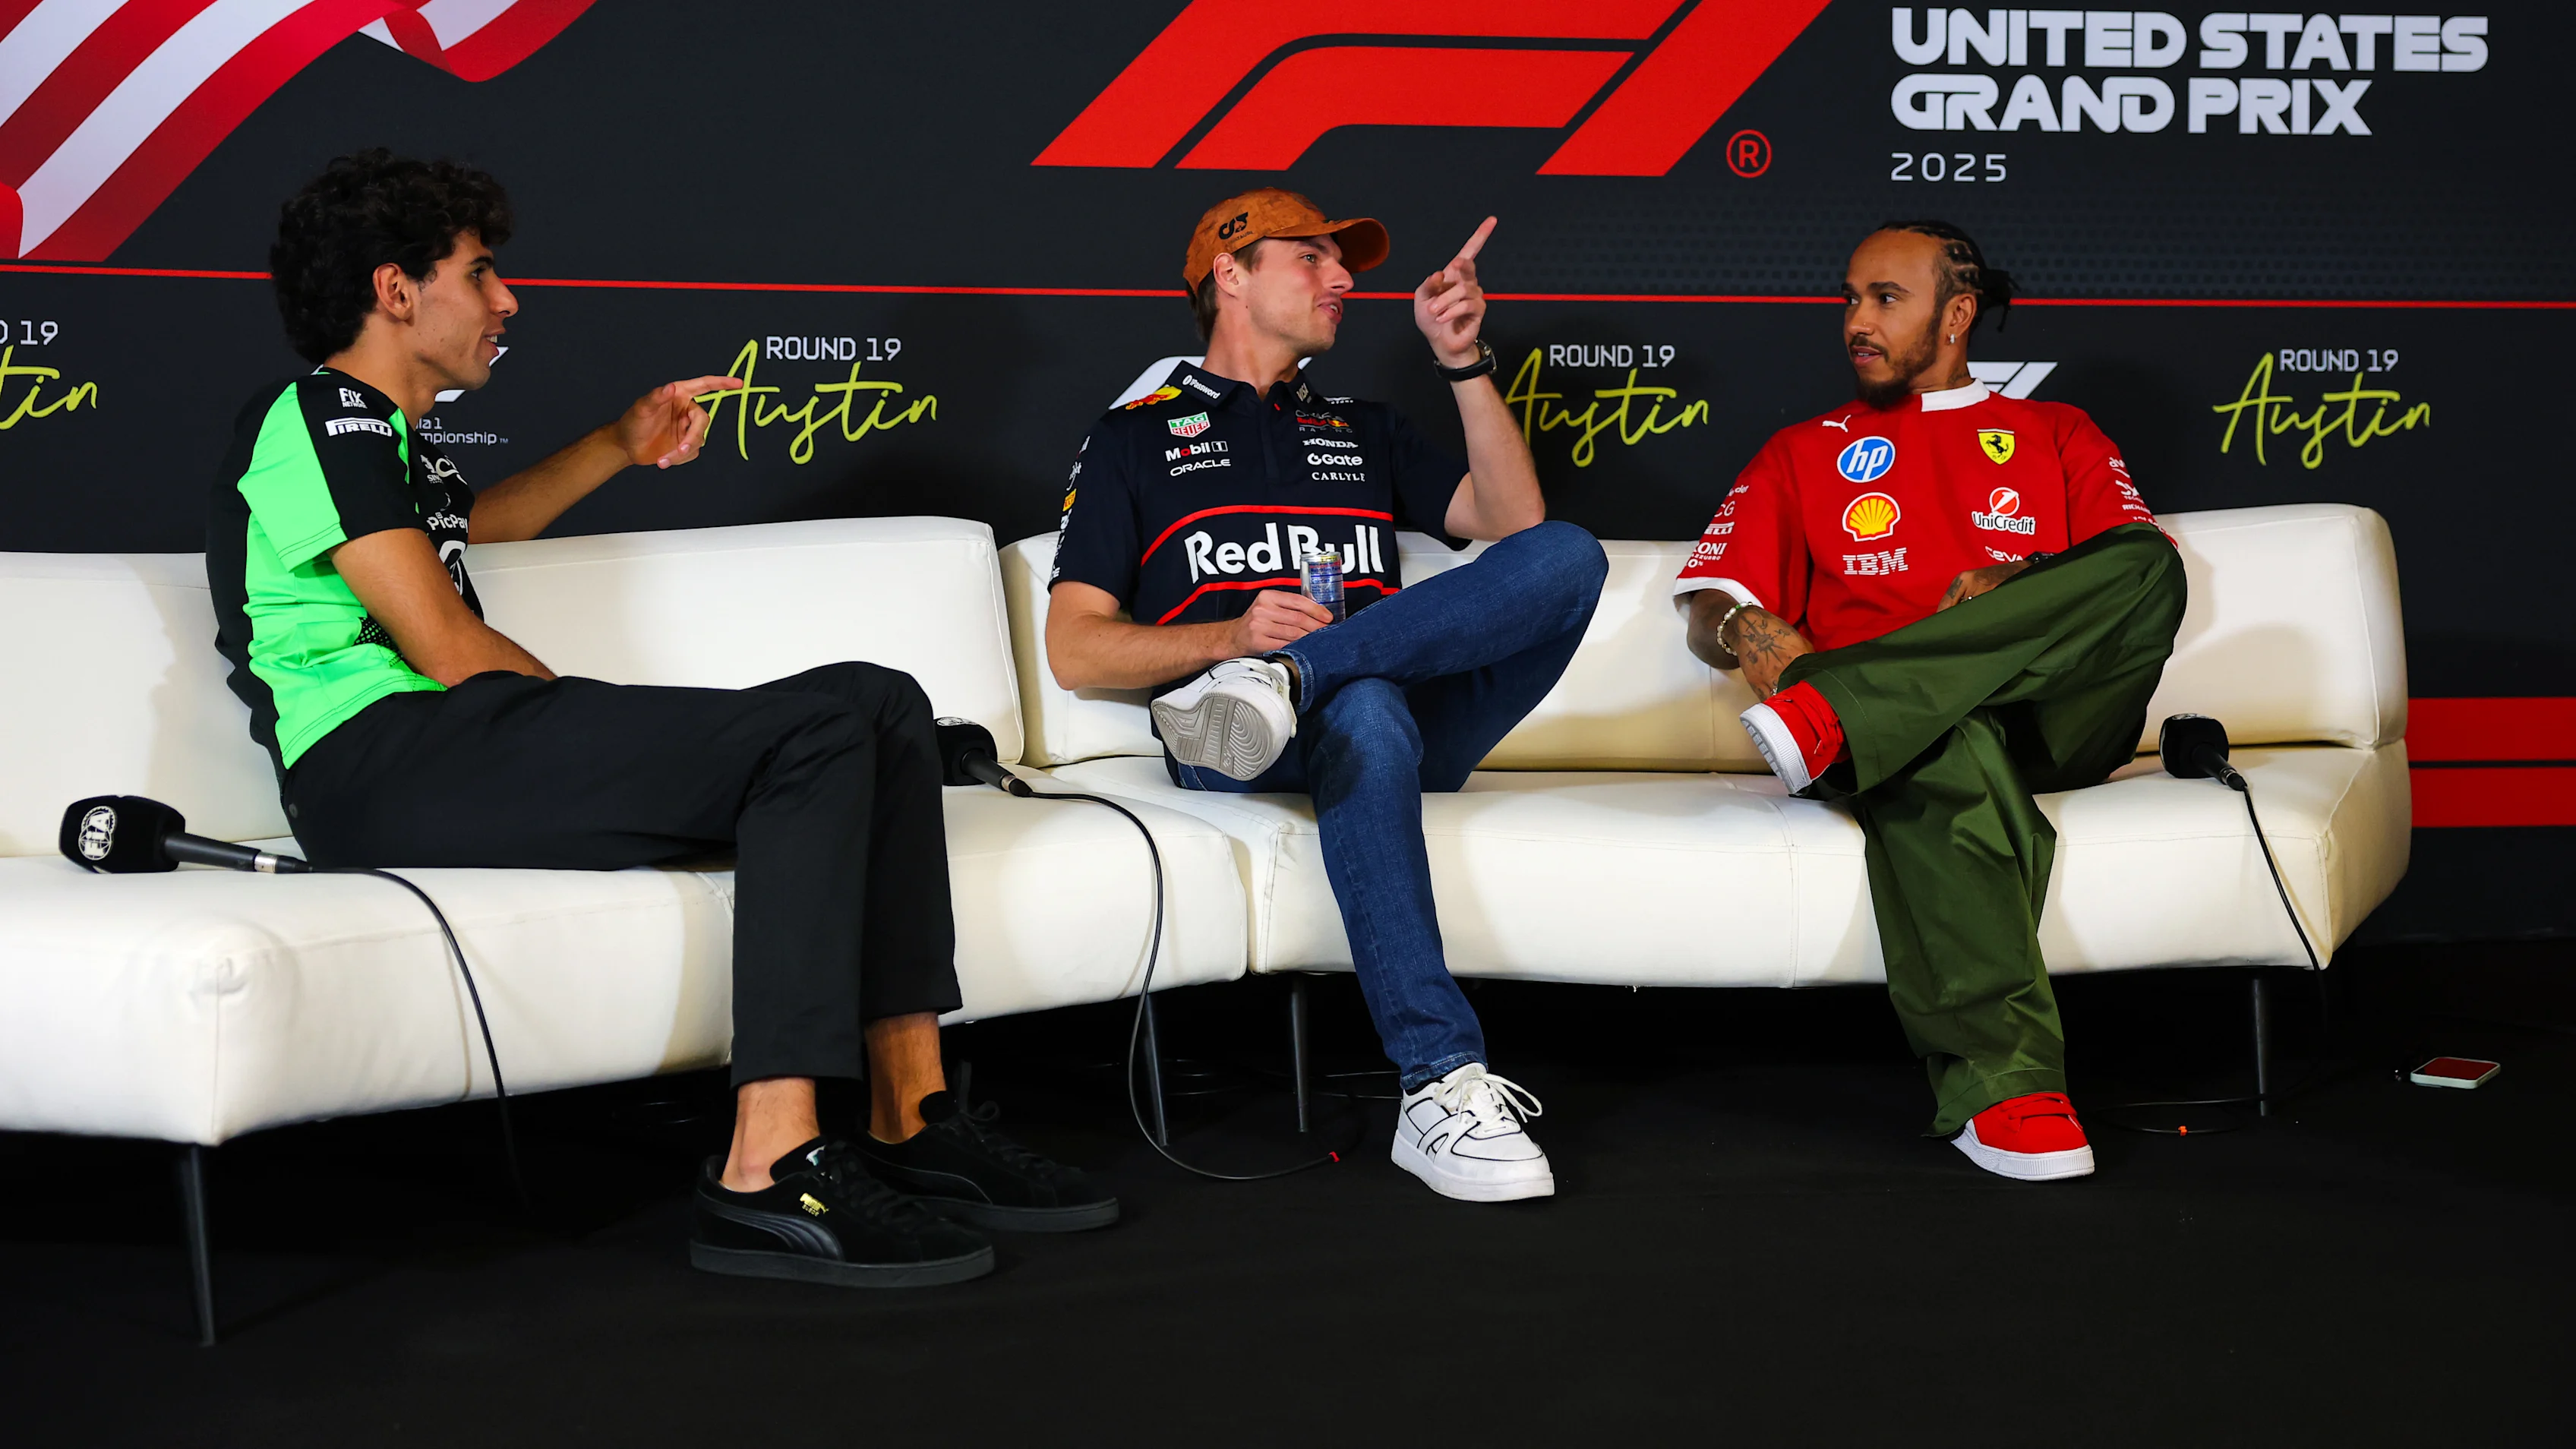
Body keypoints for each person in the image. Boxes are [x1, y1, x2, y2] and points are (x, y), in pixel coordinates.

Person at [210, 150, 1115, 1288]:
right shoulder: (313, 415)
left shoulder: (390, 443)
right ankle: (765, 1167)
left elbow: (466, 527)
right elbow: (440, 643)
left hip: (440, 751)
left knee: (876, 701)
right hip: (373, 763)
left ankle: (909, 1114)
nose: (507, 301)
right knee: (817, 737)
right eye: (481, 275)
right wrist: (614, 731)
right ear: (397, 290)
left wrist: (616, 446)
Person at [1044, 188, 1607, 1203]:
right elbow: (1074, 649)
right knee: (1368, 707)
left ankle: (1300, 675)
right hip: (1230, 729)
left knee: (1566, 556)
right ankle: (1440, 1085)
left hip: (1377, 706)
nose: (1344, 281)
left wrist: (1461, 360)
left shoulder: (1366, 428)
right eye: (1310, 258)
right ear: (1229, 273)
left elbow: (1514, 522)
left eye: (1340, 264)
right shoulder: (1136, 438)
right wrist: (1232, 637)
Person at [1676, 220, 2183, 1182]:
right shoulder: (1802, 450)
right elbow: (1709, 604)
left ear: (1956, 314)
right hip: (1922, 743)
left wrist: (2018, 587)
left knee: (2148, 568)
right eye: (1849, 298)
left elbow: (2128, 582)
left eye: (1883, 299)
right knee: (1936, 740)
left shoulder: (2057, 431)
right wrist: (1746, 632)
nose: (1854, 322)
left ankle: (1849, 708)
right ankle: (2007, 1088)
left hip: (2055, 715)